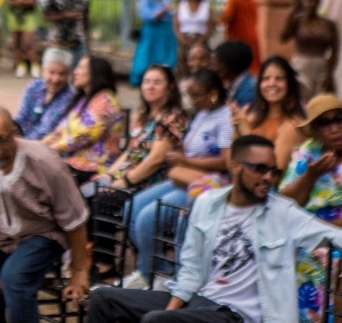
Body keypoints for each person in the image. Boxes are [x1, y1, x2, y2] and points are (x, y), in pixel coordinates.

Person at [87, 135, 342, 323]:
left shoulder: (282, 212)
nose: (268, 178)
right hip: (200, 300)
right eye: (259, 168)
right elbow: (191, 271)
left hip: (237, 315)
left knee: (157, 321)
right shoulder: (208, 204)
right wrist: (174, 309)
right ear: (236, 167)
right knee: (103, 299)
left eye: (273, 171)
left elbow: (335, 236)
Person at [0, 106, 90, 322]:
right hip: (0, 236)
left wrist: (79, 270)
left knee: (14, 276)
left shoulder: (42, 160)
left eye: (2, 139)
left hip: (44, 232)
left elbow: (75, 219)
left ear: (13, 133)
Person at [126, 68, 233, 288]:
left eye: (195, 95)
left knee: (148, 218)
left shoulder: (225, 118)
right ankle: (154, 269)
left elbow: (226, 162)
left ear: (212, 93)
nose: (191, 100)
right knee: (131, 208)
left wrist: (186, 161)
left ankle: (157, 276)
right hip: (183, 177)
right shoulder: (202, 113)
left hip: (206, 183)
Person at [91, 64, 187, 288]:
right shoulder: (144, 115)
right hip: (129, 176)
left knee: (104, 201)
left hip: (151, 181)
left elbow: (155, 160)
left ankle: (108, 267)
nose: (150, 86)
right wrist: (109, 174)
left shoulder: (172, 118)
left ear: (170, 87)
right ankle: (98, 261)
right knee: (90, 191)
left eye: (157, 82)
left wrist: (123, 182)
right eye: (146, 82)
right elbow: (129, 152)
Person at [279, 93, 342, 320]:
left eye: (339, 119)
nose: (335, 128)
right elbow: (284, 202)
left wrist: (319, 226)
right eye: (325, 123)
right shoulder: (307, 152)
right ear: (316, 129)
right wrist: (311, 175)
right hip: (308, 234)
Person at [42, 55, 124, 183]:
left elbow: (83, 137)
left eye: (80, 67)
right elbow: (60, 130)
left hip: (95, 168)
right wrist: (39, 145)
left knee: (39, 174)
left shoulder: (106, 101)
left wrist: (49, 149)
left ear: (94, 72)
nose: (75, 72)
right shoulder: (82, 100)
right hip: (75, 163)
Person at [230, 55, 305, 172]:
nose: (272, 83)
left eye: (279, 78)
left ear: (290, 84)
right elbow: (232, 166)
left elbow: (271, 174)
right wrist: (236, 130)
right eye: (266, 78)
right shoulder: (253, 117)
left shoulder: (294, 125)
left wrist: (247, 135)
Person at [281, 0, 338, 100]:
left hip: (321, 66)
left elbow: (335, 51)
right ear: (303, 1)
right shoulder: (298, 21)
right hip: (301, 65)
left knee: (320, 102)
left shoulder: (328, 24)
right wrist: (294, 9)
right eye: (309, 0)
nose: (312, 4)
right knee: (300, 99)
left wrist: (330, 73)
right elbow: (284, 37)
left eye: (316, 1)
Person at [13, 47, 75, 140]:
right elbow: (20, 118)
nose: (55, 79)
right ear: (43, 71)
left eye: (62, 74)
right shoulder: (34, 87)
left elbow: (45, 131)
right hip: (21, 142)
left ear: (68, 75)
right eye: (52, 72)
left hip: (46, 146)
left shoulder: (70, 97)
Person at [130, 0, 177, 85]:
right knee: (146, 54)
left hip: (166, 33)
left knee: (166, 55)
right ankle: (141, 77)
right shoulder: (145, 1)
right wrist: (163, 11)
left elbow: (172, 14)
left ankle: (164, 77)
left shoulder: (165, 0)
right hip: (151, 33)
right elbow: (148, 16)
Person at [219, 0, 261, 75]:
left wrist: (216, 19)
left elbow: (226, 17)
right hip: (253, 38)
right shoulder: (252, 1)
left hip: (238, 38)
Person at [173, 0, 214, 77]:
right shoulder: (182, 4)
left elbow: (210, 25)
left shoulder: (205, 5)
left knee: (201, 61)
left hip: (201, 38)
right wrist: (182, 38)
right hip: (185, 38)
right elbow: (176, 24)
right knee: (184, 62)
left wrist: (201, 40)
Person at [6, 0, 39, 78]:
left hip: (27, 19)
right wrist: (22, 2)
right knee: (17, 44)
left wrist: (19, 2)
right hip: (15, 19)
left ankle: (35, 65)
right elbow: (10, 2)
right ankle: (21, 65)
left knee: (28, 43)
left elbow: (31, 2)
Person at [214, 40, 256, 108]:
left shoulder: (250, 90)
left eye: (218, 63)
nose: (215, 68)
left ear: (230, 64)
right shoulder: (229, 84)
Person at [179, 42, 211, 113]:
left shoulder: (214, 84)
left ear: (210, 61)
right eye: (192, 59)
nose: (197, 63)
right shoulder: (182, 85)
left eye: (202, 59)